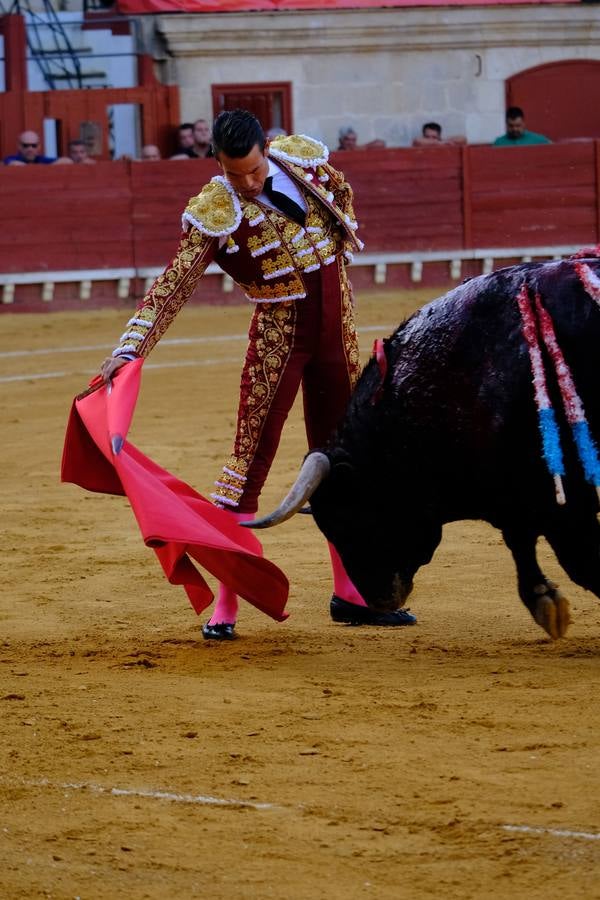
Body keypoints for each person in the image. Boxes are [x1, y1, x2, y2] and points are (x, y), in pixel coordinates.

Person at [98, 108, 417, 640]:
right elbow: (175, 283)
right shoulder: (216, 208)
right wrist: (131, 348)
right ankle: (227, 604)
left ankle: (352, 593)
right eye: (233, 173)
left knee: (342, 460)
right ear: (218, 164)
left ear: (267, 150)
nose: (245, 183)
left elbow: (342, 197)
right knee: (249, 464)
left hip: (338, 329)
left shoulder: (302, 163)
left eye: (252, 170)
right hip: (279, 340)